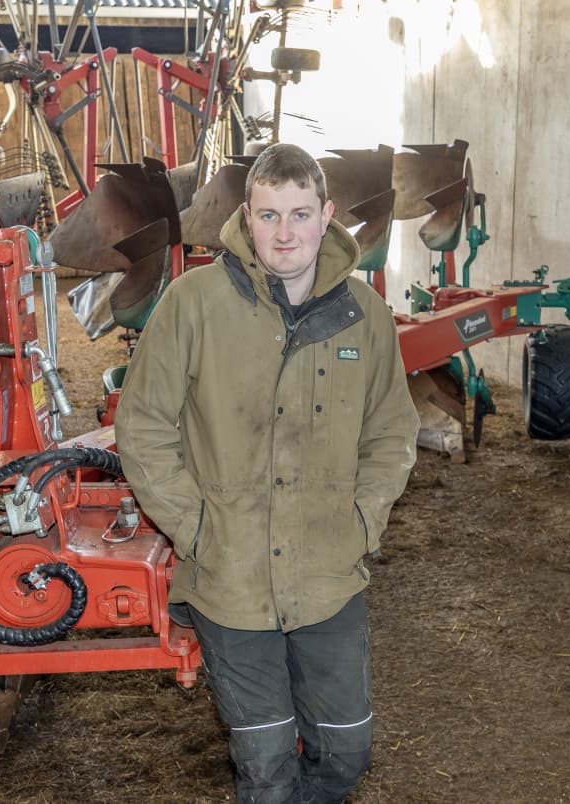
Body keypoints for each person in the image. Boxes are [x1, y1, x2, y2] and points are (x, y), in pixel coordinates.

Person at [115, 143, 420, 803]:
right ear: (246, 219)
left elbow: (393, 429)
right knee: (267, 767)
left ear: (327, 216)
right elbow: (140, 425)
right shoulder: (193, 304)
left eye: (301, 214)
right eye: (270, 215)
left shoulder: (364, 317)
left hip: (328, 576)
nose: (286, 233)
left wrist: (364, 518)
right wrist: (196, 529)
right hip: (231, 578)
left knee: (346, 753)